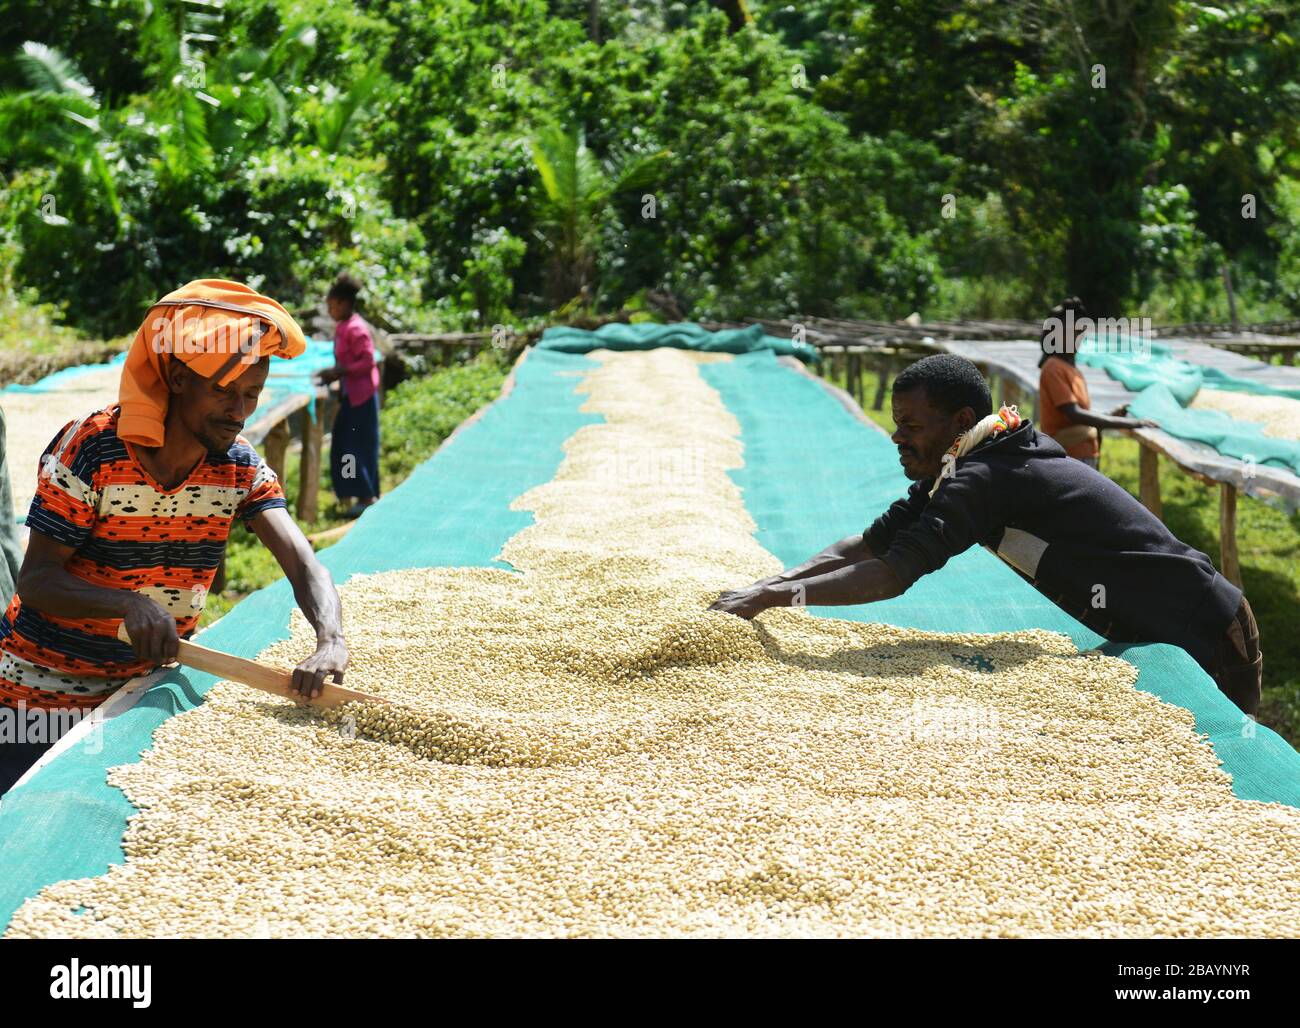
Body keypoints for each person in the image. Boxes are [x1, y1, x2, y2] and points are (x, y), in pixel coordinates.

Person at [709, 353, 1262, 718]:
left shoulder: (986, 475)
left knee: (1230, 763)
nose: (898, 438)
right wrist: (770, 584)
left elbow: (894, 572)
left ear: (959, 421)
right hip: (1156, 621)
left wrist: (771, 599)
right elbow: (870, 544)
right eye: (896, 423)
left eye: (912, 426)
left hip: (1204, 624)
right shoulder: (973, 458)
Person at [0, 280, 350, 797]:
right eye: (224, 392)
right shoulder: (93, 449)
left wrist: (331, 640)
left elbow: (303, 564)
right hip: (38, 699)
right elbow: (37, 581)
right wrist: (126, 604)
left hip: (138, 692)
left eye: (251, 394)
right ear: (180, 379)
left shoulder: (236, 467)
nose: (239, 410)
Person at [1037, 296, 1154, 469]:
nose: (1078, 337)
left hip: (1081, 456)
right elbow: (1074, 413)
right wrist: (1131, 423)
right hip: (1066, 459)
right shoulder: (1053, 368)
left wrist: (1109, 415)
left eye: (1080, 332)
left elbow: (1079, 417)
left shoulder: (1074, 371)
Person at [318, 273, 381, 519]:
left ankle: (365, 496)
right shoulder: (344, 326)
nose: (330, 311)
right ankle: (358, 493)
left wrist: (340, 372)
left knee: (354, 446)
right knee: (347, 444)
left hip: (361, 397)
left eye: (332, 306)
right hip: (352, 395)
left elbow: (367, 360)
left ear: (343, 304)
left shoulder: (356, 329)